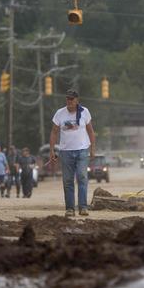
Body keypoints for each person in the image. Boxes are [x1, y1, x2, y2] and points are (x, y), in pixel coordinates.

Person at [49, 89, 96, 217]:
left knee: (82, 177)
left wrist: (92, 149)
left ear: (77, 100)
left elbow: (91, 131)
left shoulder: (84, 112)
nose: (69, 101)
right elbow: (54, 132)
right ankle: (70, 208)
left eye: (72, 99)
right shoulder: (60, 113)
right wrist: (52, 150)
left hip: (82, 150)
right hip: (66, 152)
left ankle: (83, 207)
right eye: (67, 99)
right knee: (68, 181)